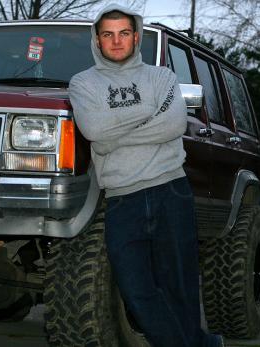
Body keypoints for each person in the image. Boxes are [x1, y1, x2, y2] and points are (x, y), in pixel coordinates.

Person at [69, 4, 225, 347]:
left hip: (170, 190)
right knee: (136, 289)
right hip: (123, 198)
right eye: (108, 34)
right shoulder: (83, 82)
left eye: (124, 33)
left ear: (136, 36)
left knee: (180, 285)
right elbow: (95, 129)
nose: (116, 41)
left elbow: (171, 125)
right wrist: (146, 115)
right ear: (97, 41)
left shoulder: (162, 77)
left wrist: (114, 134)